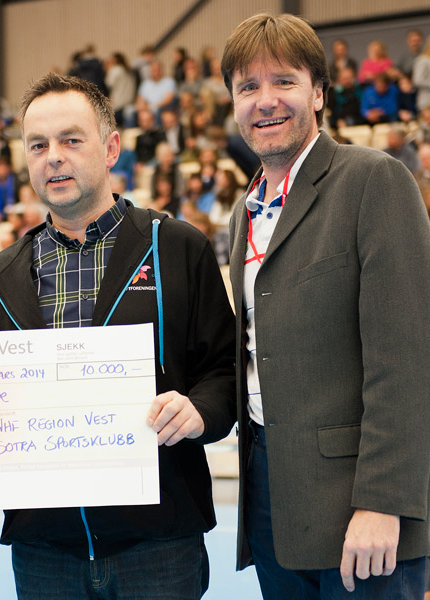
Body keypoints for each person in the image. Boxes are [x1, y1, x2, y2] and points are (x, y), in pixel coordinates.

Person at [0, 72, 235, 599]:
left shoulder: (176, 247)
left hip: (160, 546)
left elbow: (222, 367)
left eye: (70, 140)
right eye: (38, 145)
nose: (53, 156)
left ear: (110, 149)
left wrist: (201, 412)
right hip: (45, 553)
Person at [221, 13, 430, 598]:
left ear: (318, 91)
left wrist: (382, 502)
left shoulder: (373, 181)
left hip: (360, 511)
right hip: (271, 504)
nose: (266, 101)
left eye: (283, 82)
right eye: (248, 87)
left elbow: (406, 359)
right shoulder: (244, 214)